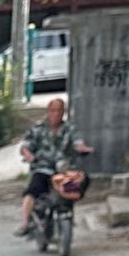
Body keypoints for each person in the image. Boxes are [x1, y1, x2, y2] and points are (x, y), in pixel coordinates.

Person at [17, 97, 93, 237]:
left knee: (80, 181)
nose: (56, 114)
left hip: (63, 170)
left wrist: (83, 149)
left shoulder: (70, 129)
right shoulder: (38, 129)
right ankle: (25, 222)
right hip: (43, 168)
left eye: (59, 110)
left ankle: (68, 214)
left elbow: (78, 143)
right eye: (53, 110)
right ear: (48, 111)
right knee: (32, 190)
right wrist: (28, 155)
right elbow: (25, 146)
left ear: (63, 112)